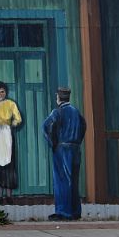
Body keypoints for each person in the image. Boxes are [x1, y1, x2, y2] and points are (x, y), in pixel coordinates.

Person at [42, 87, 87, 221]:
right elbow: (83, 126)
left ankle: (63, 212)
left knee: (62, 181)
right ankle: (75, 211)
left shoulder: (57, 112)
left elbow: (46, 127)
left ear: (58, 98)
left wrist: (53, 143)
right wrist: (77, 141)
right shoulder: (76, 112)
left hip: (62, 149)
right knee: (73, 181)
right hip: (75, 149)